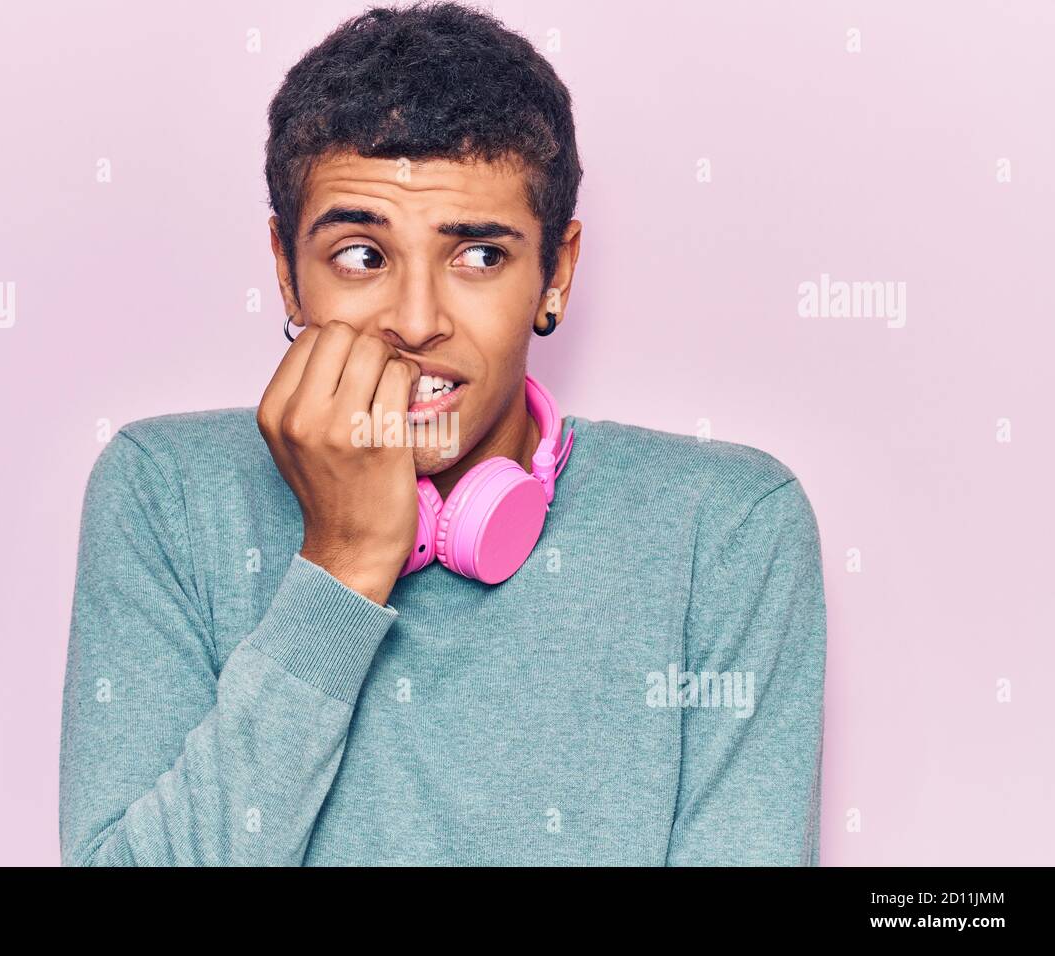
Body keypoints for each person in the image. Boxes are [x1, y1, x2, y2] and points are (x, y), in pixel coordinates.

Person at [59, 1, 827, 866]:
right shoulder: (163, 492)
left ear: (556, 273)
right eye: (361, 254)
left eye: (479, 255)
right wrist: (343, 567)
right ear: (286, 271)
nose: (417, 321)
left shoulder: (726, 528)